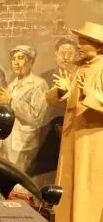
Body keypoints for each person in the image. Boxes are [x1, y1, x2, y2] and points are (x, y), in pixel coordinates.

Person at [49, 21, 103, 222]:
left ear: (98, 46)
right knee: (70, 184)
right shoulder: (78, 68)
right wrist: (63, 89)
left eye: (84, 42)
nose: (79, 46)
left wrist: (89, 94)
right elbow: (54, 98)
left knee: (89, 185)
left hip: (93, 138)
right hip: (72, 135)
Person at [30, 37, 80, 181]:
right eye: (63, 53)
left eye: (70, 53)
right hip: (48, 130)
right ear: (56, 54)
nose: (66, 57)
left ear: (76, 55)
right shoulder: (44, 77)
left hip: (71, 128)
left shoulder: (79, 77)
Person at [0, 45, 48, 171]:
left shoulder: (39, 84)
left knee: (19, 176)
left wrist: (11, 101)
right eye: (13, 59)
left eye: (20, 58)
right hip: (8, 142)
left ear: (30, 61)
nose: (16, 63)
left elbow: (36, 116)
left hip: (24, 144)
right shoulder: (12, 85)